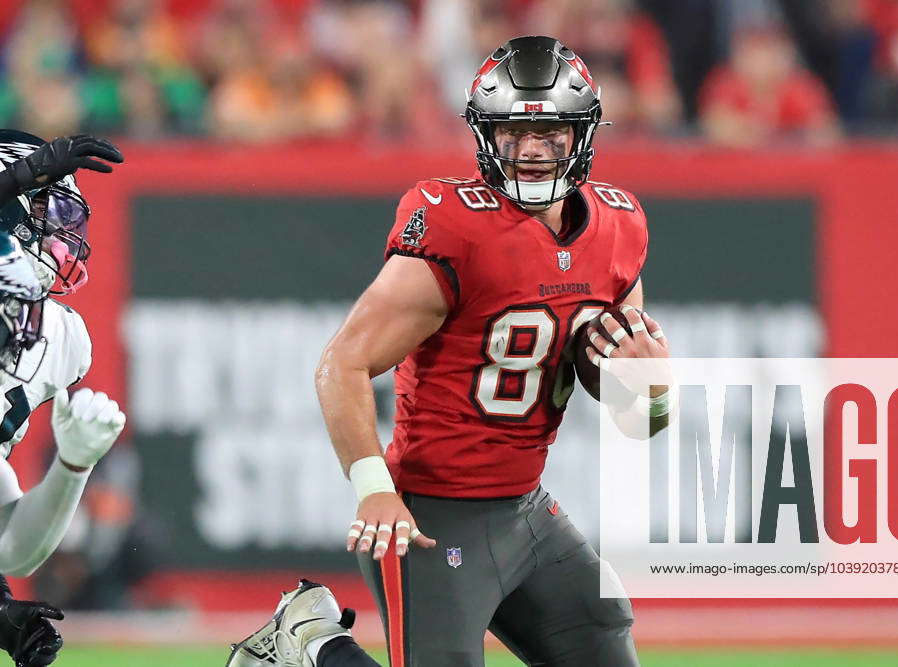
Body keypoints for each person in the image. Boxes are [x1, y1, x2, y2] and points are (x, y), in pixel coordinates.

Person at [229, 35, 672, 667]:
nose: (533, 152)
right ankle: (313, 646)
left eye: (551, 133)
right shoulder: (455, 225)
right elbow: (343, 364)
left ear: (583, 135)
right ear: (485, 136)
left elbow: (638, 413)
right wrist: (373, 490)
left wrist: (654, 393)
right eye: (513, 133)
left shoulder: (619, 225)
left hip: (527, 510)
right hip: (433, 517)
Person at [0, 130, 126, 667]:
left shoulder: (61, 339)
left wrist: (74, 466)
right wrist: (18, 179)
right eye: (52, 209)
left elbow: (12, 548)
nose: (66, 234)